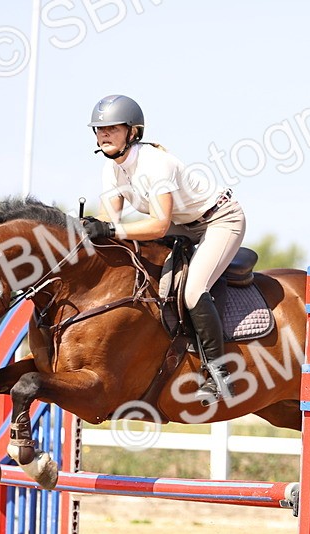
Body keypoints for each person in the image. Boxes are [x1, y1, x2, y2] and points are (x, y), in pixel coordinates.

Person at [83, 94, 245, 405]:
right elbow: (109, 221)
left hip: (219, 219)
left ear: (133, 132)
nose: (104, 135)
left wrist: (111, 228)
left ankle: (220, 373)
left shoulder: (156, 164)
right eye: (99, 129)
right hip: (182, 224)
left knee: (193, 289)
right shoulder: (112, 168)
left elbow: (157, 224)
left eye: (112, 128)